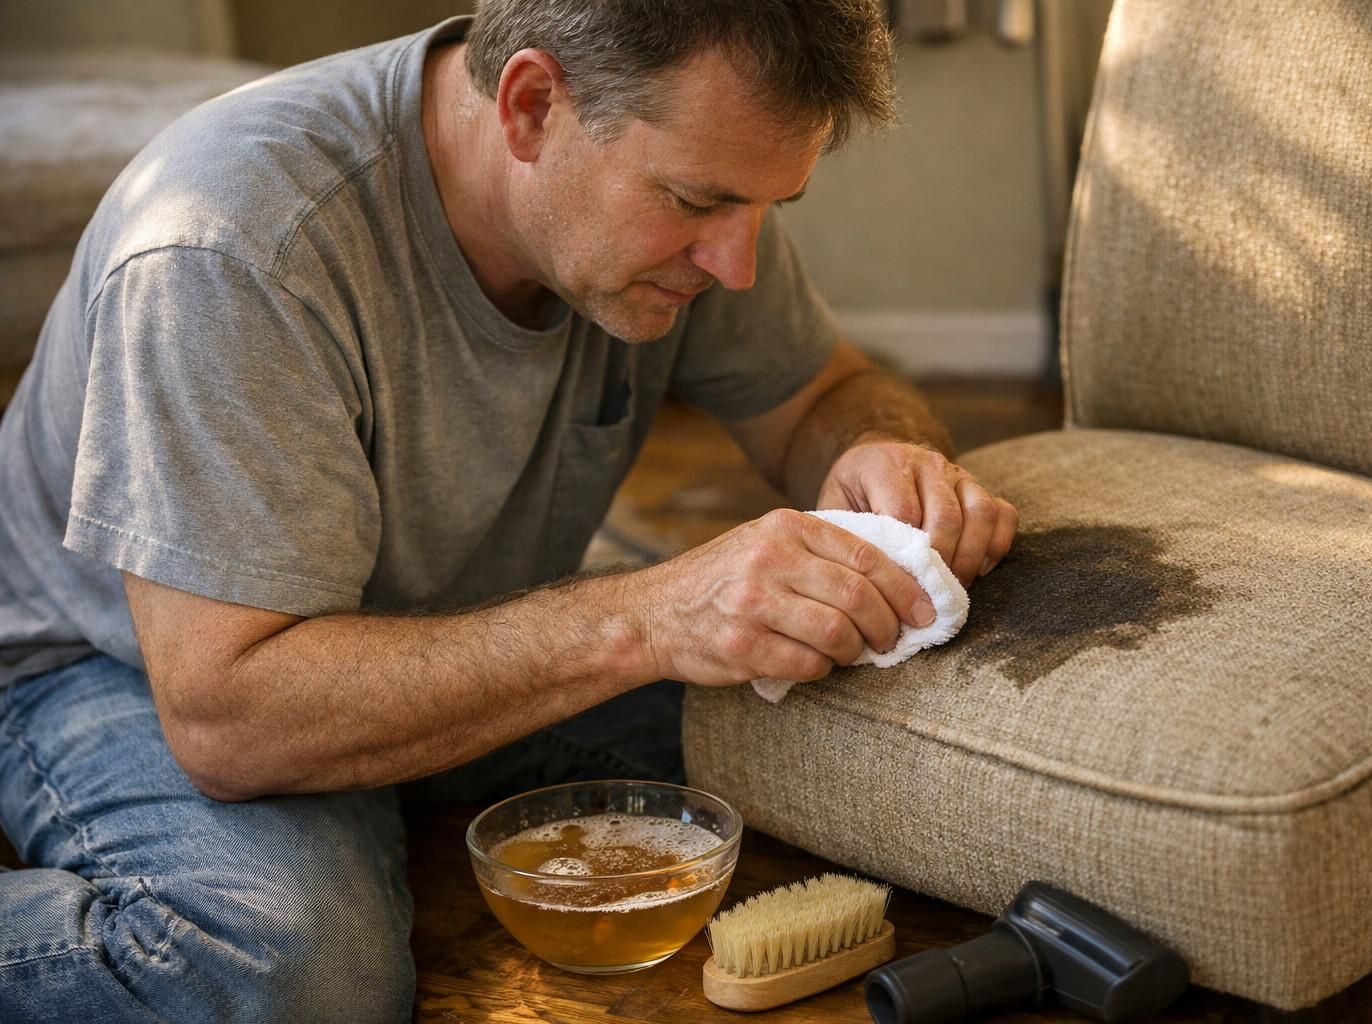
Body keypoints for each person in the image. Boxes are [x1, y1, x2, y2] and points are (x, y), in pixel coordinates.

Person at [0, 1, 1018, 1020]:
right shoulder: (230, 249)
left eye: (768, 209)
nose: (737, 266)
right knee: (287, 974)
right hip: (124, 663)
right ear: (531, 106)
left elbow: (818, 393)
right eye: (696, 201)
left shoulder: (696, 183)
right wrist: (646, 616)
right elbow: (230, 720)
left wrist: (878, 445)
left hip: (454, 610)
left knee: (864, 723)